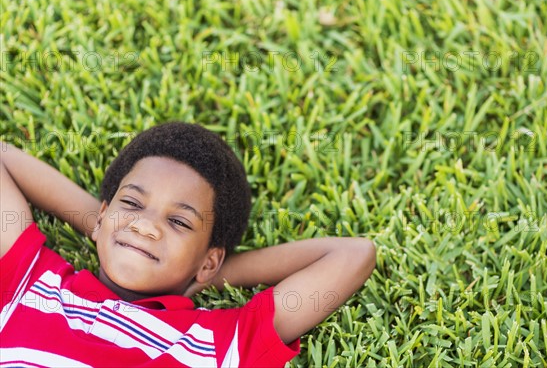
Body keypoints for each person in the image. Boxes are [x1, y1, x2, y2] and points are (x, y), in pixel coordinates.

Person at [0, 122, 376, 367]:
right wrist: (104, 226)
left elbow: (352, 255)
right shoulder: (31, 282)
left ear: (209, 261)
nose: (146, 225)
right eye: (131, 203)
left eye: (178, 221)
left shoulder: (214, 343)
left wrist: (208, 275)